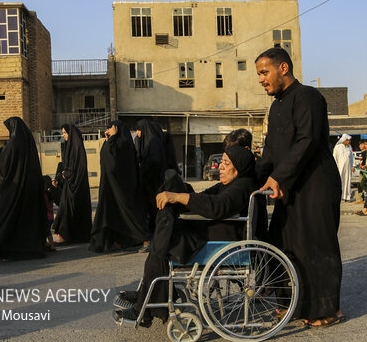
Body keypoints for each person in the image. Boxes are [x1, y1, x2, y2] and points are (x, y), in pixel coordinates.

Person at [113, 146, 257, 325]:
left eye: (226, 163)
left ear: (240, 166)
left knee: (163, 245)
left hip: (220, 242)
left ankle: (145, 307)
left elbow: (217, 206)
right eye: (222, 162)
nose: (220, 166)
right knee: (163, 239)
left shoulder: (243, 185)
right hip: (207, 234)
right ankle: (146, 297)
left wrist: (179, 197)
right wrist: (179, 193)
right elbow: (203, 197)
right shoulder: (226, 185)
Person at [255, 47, 344, 327]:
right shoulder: (276, 105)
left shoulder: (308, 96)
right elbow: (271, 149)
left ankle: (327, 310)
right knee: (285, 243)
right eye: (259, 74)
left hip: (315, 184)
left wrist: (279, 177)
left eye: (264, 72)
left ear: (283, 68)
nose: (261, 79)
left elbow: (307, 140)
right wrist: (251, 176)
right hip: (290, 185)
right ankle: (293, 304)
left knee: (316, 246)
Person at [0, 117, 46, 262]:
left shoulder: (14, 142)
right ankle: (26, 250)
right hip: (29, 189)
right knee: (25, 220)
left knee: (3, 218)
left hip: (14, 190)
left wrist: (1, 149)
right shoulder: (29, 143)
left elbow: (0, 161)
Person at [89, 120, 151, 253]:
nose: (109, 130)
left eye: (111, 127)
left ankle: (146, 239)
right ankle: (117, 241)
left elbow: (113, 162)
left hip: (123, 188)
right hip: (111, 186)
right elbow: (105, 158)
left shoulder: (124, 144)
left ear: (117, 128)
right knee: (112, 213)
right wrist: (108, 140)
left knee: (129, 213)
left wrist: (111, 140)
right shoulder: (113, 143)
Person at [53, 123, 92, 243]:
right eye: (63, 133)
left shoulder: (77, 147)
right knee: (66, 209)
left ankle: (68, 236)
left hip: (76, 185)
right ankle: (67, 235)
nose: (64, 135)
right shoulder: (69, 147)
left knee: (70, 209)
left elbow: (77, 167)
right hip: (70, 184)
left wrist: (68, 174)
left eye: (65, 133)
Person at [135, 119, 167, 231]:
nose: (137, 133)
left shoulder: (153, 144)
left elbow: (153, 162)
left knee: (154, 206)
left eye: (139, 130)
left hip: (153, 181)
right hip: (149, 181)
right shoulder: (146, 142)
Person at [332, 134, 354, 202]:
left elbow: (351, 157)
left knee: (347, 181)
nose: (349, 142)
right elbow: (334, 158)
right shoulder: (337, 147)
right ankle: (339, 196)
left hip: (348, 168)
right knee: (339, 181)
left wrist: (353, 166)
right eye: (348, 140)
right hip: (340, 168)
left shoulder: (349, 147)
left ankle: (347, 197)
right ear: (344, 140)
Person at [42, 175, 56, 251]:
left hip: (46, 216)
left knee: (46, 232)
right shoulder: (50, 193)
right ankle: (49, 244)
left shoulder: (44, 195)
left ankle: (50, 245)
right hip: (51, 216)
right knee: (47, 231)